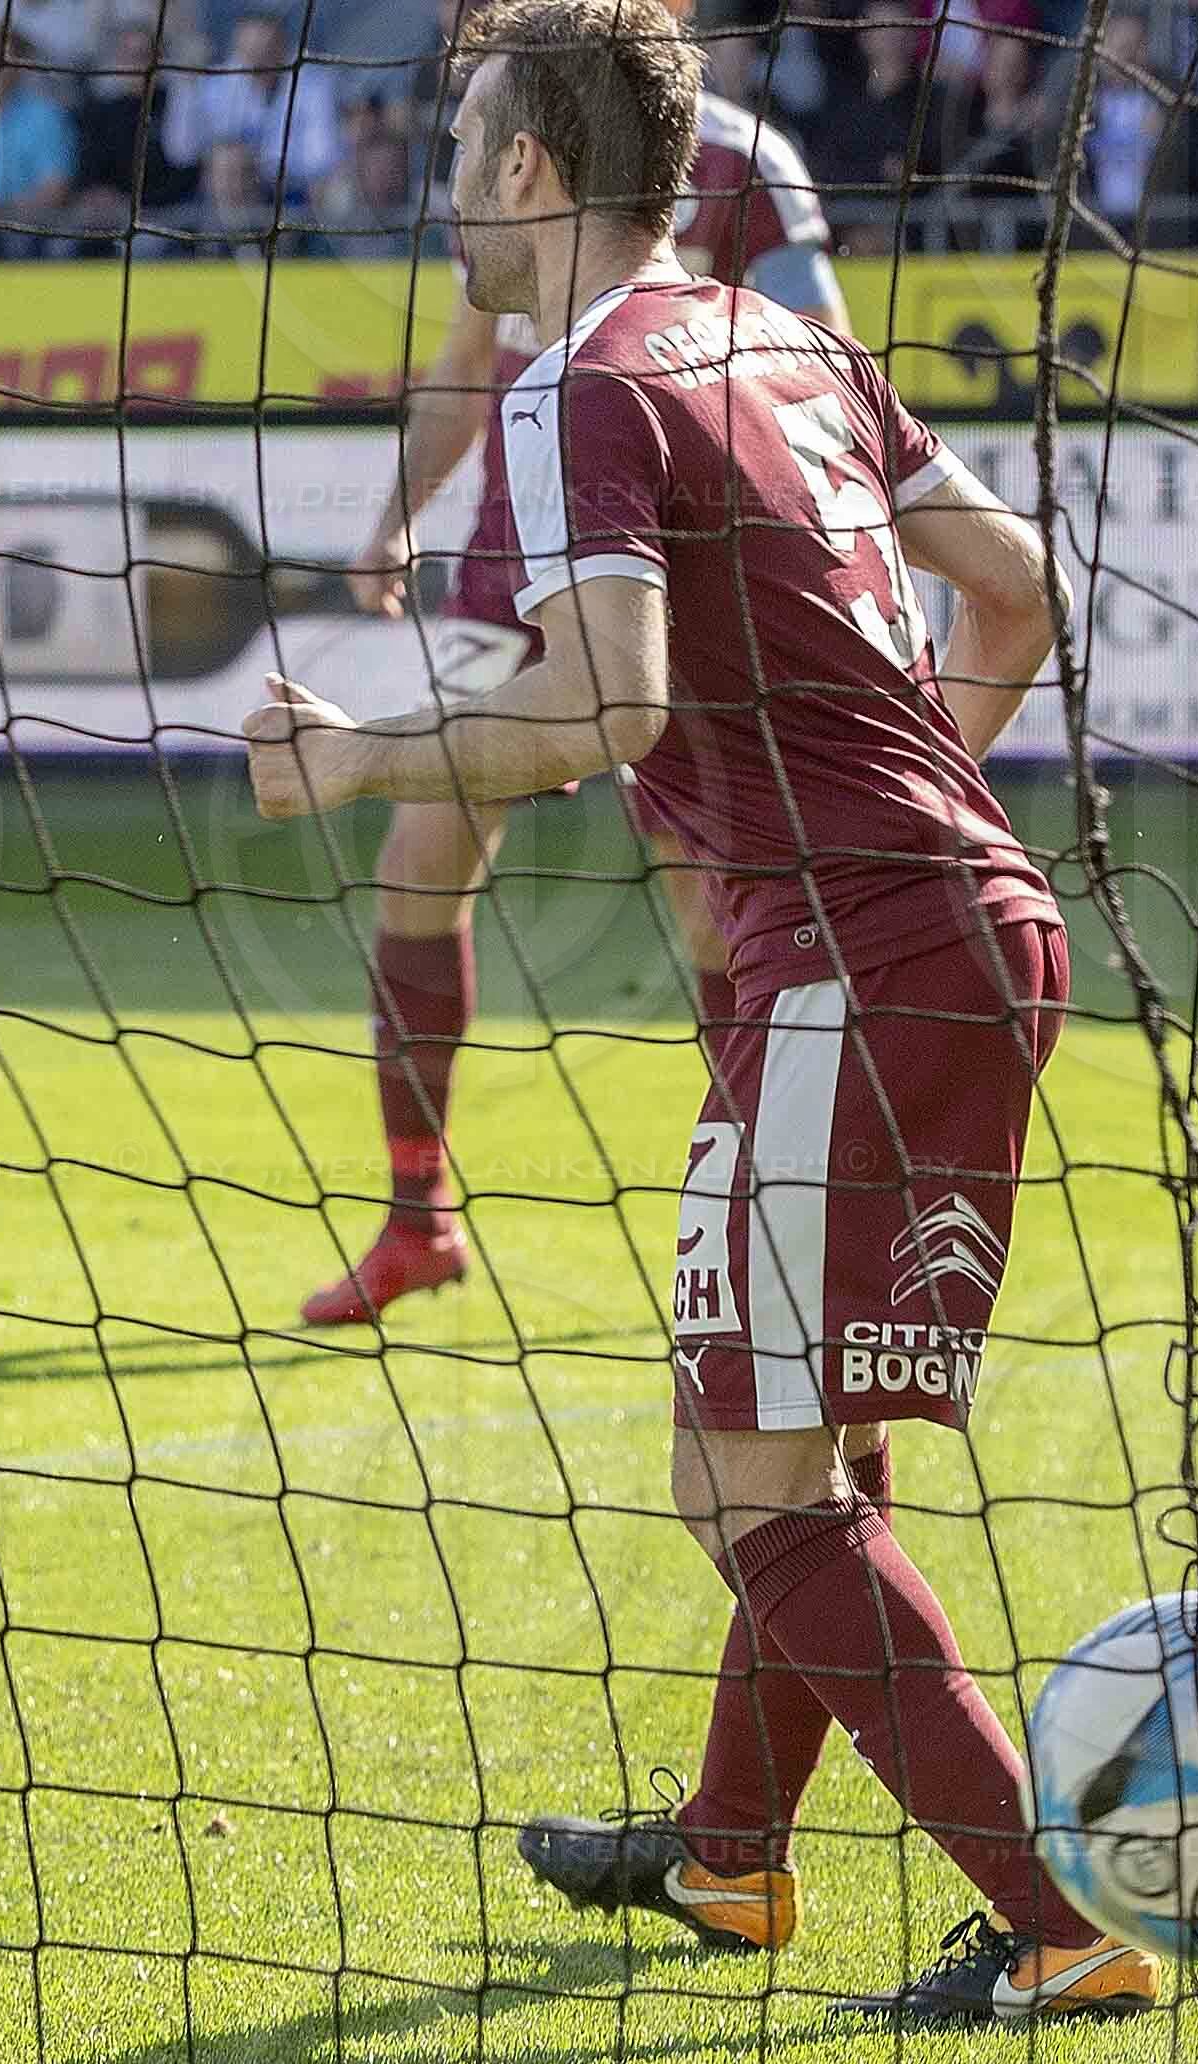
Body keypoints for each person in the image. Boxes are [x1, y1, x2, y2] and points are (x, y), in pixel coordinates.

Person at [235, 0, 1146, 2025]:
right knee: (792, 1440)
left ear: (529, 173)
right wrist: (910, 825)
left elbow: (599, 706)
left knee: (732, 1482)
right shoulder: (779, 339)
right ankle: (729, 1859)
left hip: (849, 963)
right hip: (955, 933)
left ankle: (1062, 1924)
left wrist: (357, 752)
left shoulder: (576, 388)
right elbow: (1013, 596)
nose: (438, 183)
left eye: (457, 143)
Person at [307, 37, 837, 1327]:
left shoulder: (742, 160)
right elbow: (461, 370)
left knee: (718, 915)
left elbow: (819, 353)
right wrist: (394, 515)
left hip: (683, 586)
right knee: (417, 858)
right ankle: (417, 1215)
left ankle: (763, 1211)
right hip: (514, 571)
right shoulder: (511, 161)